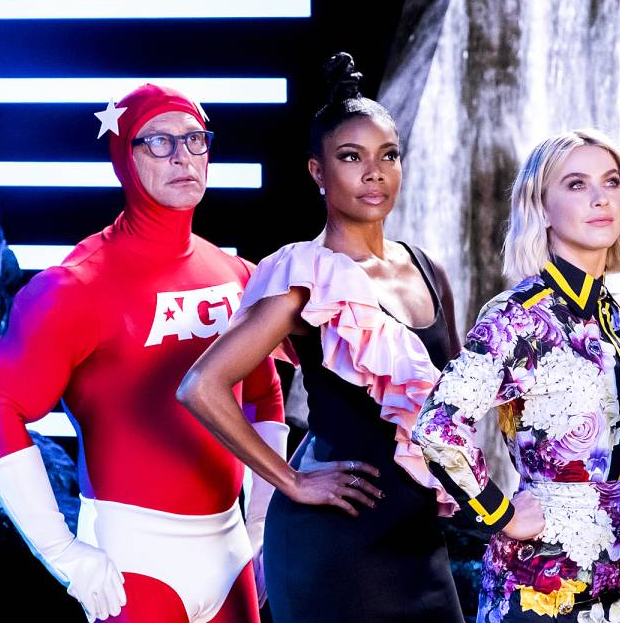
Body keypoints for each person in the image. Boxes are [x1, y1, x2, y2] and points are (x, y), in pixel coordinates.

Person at [0, 84, 287, 622]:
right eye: (159, 141)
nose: (182, 156)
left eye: (195, 139)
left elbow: (264, 392)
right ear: (123, 157)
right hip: (134, 557)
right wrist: (61, 552)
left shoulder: (236, 275)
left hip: (231, 552)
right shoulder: (75, 287)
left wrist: (261, 524)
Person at [176, 52, 465, 623]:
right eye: (351, 157)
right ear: (317, 171)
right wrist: (292, 480)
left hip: (417, 539)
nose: (374, 173)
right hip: (335, 545)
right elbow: (200, 386)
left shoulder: (427, 268)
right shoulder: (307, 277)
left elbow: (457, 404)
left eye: (388, 155)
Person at [413, 129, 620, 623]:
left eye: (611, 181)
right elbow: (438, 428)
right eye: (577, 184)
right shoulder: (516, 318)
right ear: (540, 207)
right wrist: (500, 512)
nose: (601, 198)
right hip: (543, 589)